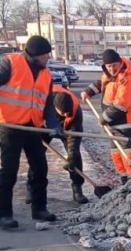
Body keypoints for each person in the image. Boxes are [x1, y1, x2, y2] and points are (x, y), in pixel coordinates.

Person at [0, 36, 59, 229]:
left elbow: (48, 104)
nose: (48, 58)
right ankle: (4, 214)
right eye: (45, 55)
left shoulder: (46, 75)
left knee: (40, 168)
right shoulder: (9, 64)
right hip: (10, 127)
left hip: (33, 127)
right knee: (9, 172)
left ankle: (39, 208)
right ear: (34, 55)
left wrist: (53, 124)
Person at [81, 49, 131, 177]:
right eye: (109, 66)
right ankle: (124, 179)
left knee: (127, 152)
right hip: (113, 124)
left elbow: (120, 105)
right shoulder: (109, 75)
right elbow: (100, 84)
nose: (112, 69)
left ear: (120, 63)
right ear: (105, 67)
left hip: (126, 123)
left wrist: (104, 118)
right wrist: (88, 91)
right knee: (116, 153)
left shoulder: (128, 78)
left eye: (114, 65)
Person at [26, 85, 88, 204]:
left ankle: (77, 189)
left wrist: (72, 155)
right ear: (54, 107)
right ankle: (32, 188)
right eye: (63, 112)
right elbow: (31, 119)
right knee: (36, 156)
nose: (65, 114)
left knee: (74, 156)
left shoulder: (75, 110)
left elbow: (74, 137)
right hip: (44, 127)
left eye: (67, 113)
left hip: (67, 128)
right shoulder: (41, 103)